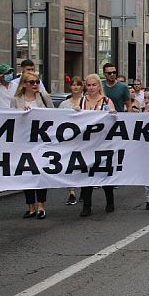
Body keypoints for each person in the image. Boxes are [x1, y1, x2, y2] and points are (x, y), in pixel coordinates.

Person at [12, 71, 54, 219]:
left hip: (41, 140)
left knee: (41, 172)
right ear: (24, 84)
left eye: (37, 82)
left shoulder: (44, 97)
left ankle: (41, 205)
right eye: (31, 82)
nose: (35, 85)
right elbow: (11, 120)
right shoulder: (16, 100)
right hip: (24, 142)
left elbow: (54, 116)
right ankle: (30, 206)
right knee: (27, 172)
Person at [78, 74, 117, 216]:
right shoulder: (82, 101)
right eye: (88, 85)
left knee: (104, 173)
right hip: (86, 144)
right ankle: (87, 206)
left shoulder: (106, 101)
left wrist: (112, 114)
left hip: (102, 143)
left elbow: (114, 120)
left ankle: (110, 201)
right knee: (86, 175)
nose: (91, 88)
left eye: (94, 85)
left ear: (98, 86)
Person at [63, 76, 85, 205]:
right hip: (69, 140)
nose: (76, 87)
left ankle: (83, 188)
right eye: (73, 85)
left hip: (82, 140)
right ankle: (71, 192)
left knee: (81, 165)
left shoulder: (86, 102)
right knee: (69, 166)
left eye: (78, 85)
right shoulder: (64, 104)